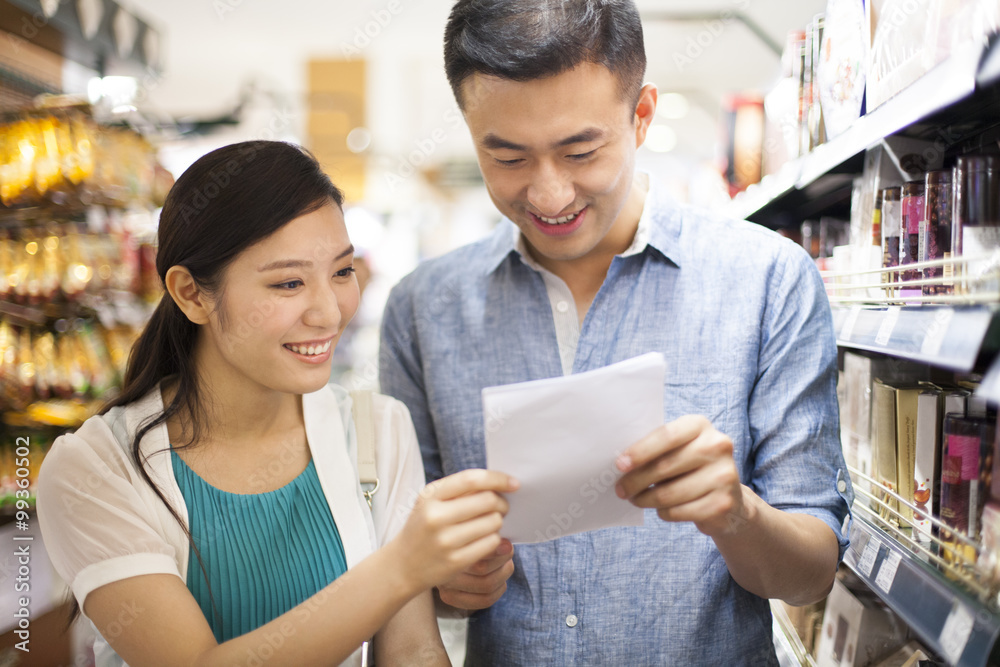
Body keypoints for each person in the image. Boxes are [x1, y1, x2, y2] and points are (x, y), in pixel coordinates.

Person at [378, 1, 853, 665]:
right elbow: (407, 570)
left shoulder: (767, 281)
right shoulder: (422, 311)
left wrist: (735, 514)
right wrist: (446, 583)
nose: (548, 195)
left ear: (642, 116)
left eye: (580, 150)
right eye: (507, 157)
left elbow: (809, 575)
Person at [37, 140, 518, 667]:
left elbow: (412, 652)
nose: (330, 313)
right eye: (289, 282)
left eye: (341, 272)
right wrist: (402, 567)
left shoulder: (375, 429)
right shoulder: (95, 469)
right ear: (191, 294)